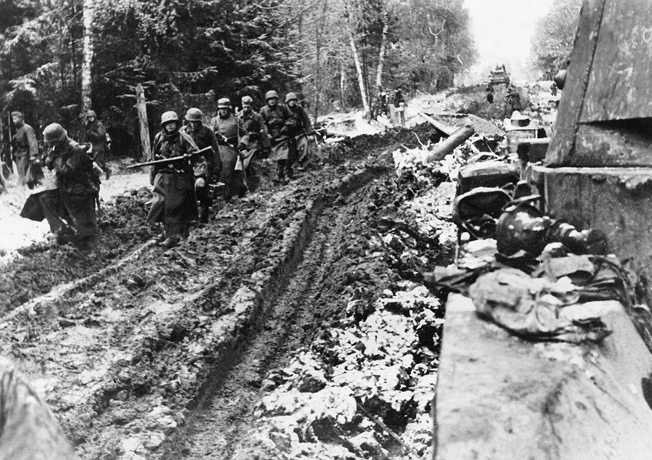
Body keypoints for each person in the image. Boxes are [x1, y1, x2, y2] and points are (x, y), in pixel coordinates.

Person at [147, 111, 206, 248]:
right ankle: (167, 232)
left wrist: (200, 176)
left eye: (172, 123)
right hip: (163, 176)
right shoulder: (159, 138)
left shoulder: (183, 138)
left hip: (179, 177)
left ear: (177, 123)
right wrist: (152, 178)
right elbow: (153, 159)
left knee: (173, 206)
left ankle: (175, 235)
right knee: (159, 204)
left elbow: (198, 158)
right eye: (167, 124)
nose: (170, 127)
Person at [40, 123, 100, 248]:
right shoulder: (58, 147)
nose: (50, 146)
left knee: (87, 230)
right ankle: (60, 231)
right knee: (44, 200)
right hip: (66, 188)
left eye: (52, 143)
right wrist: (51, 156)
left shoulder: (76, 149)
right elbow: (48, 163)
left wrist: (54, 157)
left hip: (81, 190)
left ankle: (90, 248)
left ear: (59, 139)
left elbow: (67, 170)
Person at [181, 108, 221, 223]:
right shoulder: (183, 132)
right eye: (191, 121)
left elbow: (215, 150)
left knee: (201, 188)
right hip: (189, 165)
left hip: (205, 164)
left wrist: (216, 168)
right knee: (186, 189)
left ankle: (204, 210)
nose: (193, 124)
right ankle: (189, 215)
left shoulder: (207, 132)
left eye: (195, 122)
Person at [259, 90, 296, 184]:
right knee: (274, 157)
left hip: (282, 135)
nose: (272, 101)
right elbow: (262, 123)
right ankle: (278, 174)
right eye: (270, 99)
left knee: (283, 155)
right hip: (271, 137)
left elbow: (291, 117)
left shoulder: (282, 107)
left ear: (276, 100)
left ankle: (283, 174)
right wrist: (267, 134)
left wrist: (285, 127)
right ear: (267, 100)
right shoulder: (263, 110)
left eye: (274, 99)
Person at [211, 98, 245, 200]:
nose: (223, 111)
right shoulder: (215, 120)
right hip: (217, 147)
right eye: (221, 109)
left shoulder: (236, 120)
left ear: (229, 109)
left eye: (225, 109)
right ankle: (215, 195)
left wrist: (243, 143)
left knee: (227, 166)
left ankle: (228, 195)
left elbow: (245, 134)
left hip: (231, 148)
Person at [236, 96, 269, 192]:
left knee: (252, 166)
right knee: (240, 167)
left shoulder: (257, 117)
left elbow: (263, 131)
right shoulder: (238, 116)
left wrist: (266, 146)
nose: (246, 109)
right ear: (242, 105)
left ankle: (254, 188)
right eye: (244, 106)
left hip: (254, 144)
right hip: (242, 144)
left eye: (248, 107)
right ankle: (242, 188)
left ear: (251, 106)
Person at [10, 111, 40, 187]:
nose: (14, 121)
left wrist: (33, 155)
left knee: (27, 174)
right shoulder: (18, 129)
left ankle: (29, 188)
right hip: (19, 154)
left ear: (20, 118)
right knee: (21, 174)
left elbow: (32, 141)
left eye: (15, 119)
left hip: (26, 154)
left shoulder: (27, 128)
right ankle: (24, 188)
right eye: (13, 119)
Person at [285, 92, 314, 168]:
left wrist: (310, 132)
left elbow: (306, 120)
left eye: (294, 100)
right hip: (289, 133)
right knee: (291, 150)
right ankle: (291, 166)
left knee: (304, 145)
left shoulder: (299, 109)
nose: (292, 102)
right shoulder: (284, 109)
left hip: (299, 132)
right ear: (287, 101)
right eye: (290, 101)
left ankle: (302, 163)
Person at [80, 110, 110, 180]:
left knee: (97, 161)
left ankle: (106, 170)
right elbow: (86, 134)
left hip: (100, 145)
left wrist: (92, 133)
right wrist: (84, 142)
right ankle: (104, 171)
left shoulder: (99, 124)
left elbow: (101, 135)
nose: (90, 118)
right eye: (89, 117)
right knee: (93, 161)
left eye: (92, 117)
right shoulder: (88, 124)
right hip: (92, 145)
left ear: (94, 116)